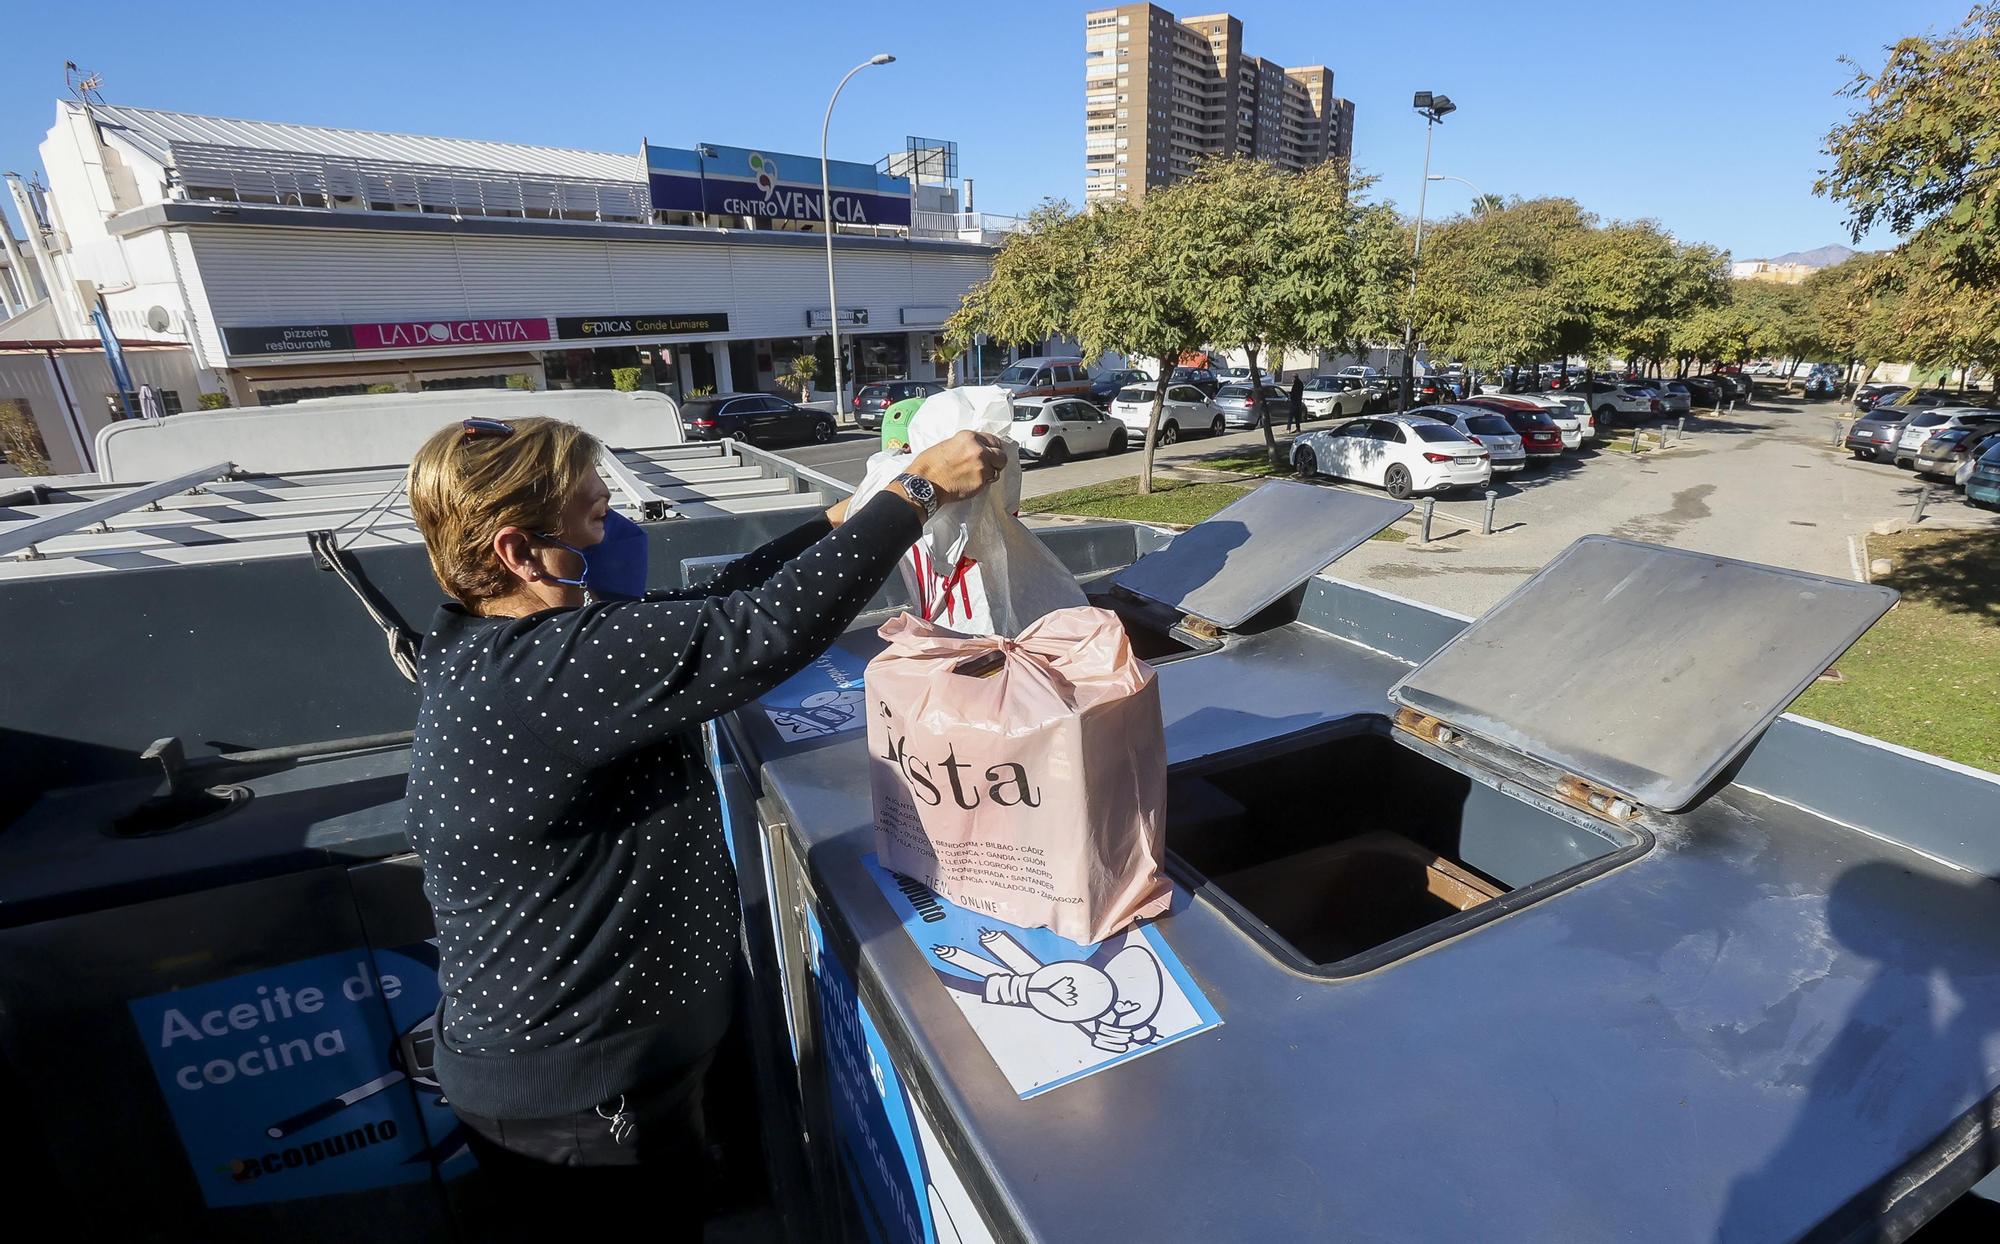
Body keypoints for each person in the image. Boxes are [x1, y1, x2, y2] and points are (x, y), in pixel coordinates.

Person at [401, 415, 1006, 1241]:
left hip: (612, 1074)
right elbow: (761, 630)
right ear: (517, 551)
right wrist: (917, 491)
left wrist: (841, 517)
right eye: (591, 517)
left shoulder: (509, 644)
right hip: (579, 1110)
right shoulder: (546, 671)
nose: (612, 530)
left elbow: (710, 604)